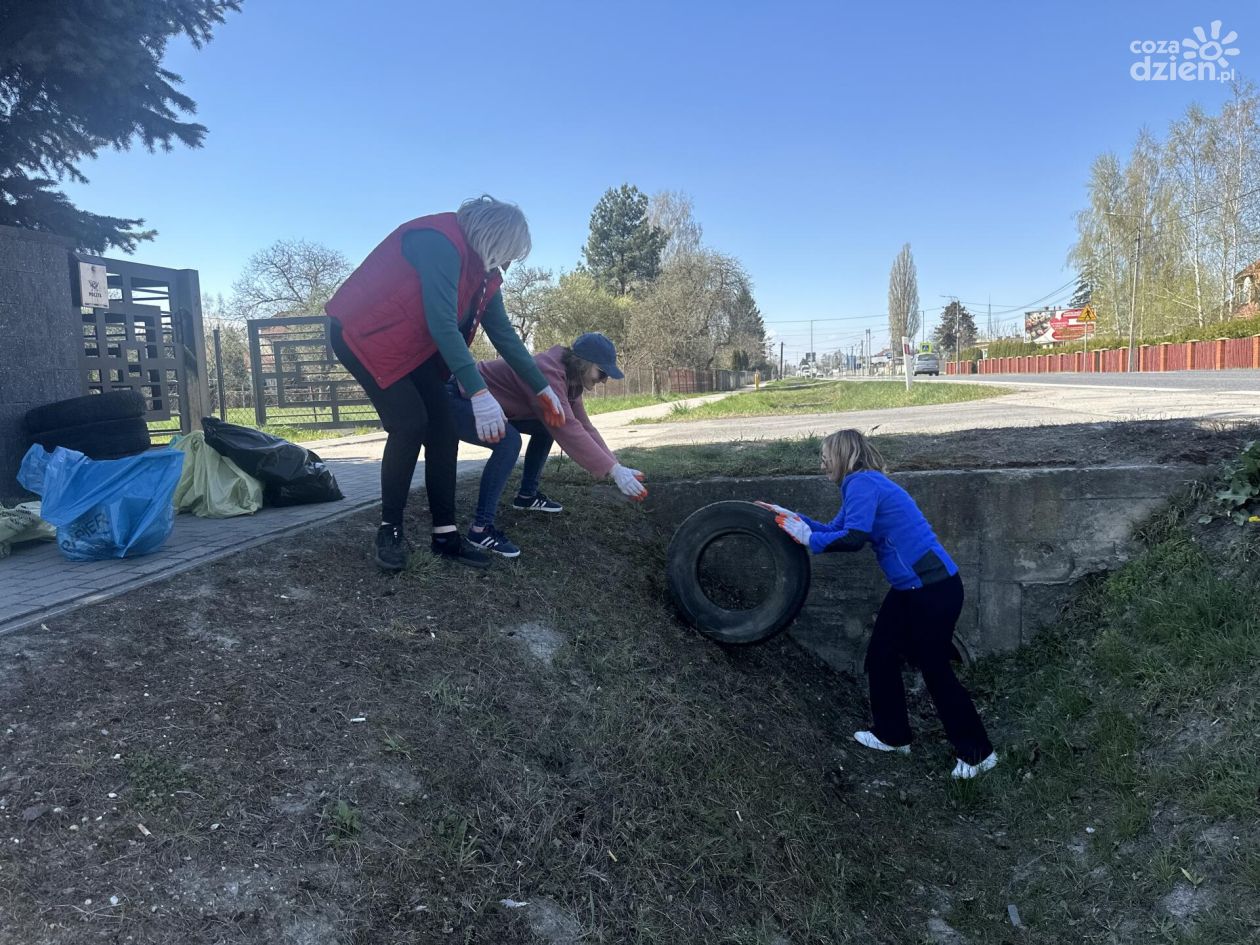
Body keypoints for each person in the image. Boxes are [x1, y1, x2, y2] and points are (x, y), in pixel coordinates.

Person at [325, 196, 565, 571]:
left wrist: (542, 386)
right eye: (508, 253)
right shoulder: (440, 242)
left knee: (444, 427)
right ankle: (390, 530)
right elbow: (441, 323)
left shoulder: (484, 274)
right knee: (409, 424)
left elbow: (503, 333)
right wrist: (480, 391)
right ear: (493, 238)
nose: (508, 264)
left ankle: (446, 535)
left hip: (409, 341)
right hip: (363, 334)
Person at [758, 429, 998, 779]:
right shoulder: (859, 486)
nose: (822, 462)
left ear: (844, 456)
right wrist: (791, 518)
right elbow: (833, 530)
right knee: (881, 655)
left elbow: (852, 539)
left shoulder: (862, 484)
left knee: (934, 668)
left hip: (933, 588)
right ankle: (893, 735)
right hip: (911, 588)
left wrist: (809, 537)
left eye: (826, 455)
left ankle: (979, 754)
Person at [446, 332, 648, 557]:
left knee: (546, 426)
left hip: (489, 403)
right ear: (585, 364)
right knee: (509, 442)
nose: (604, 380)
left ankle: (526, 496)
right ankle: (480, 530)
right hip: (458, 397)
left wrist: (616, 466)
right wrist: (613, 472)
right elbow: (567, 428)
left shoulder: (570, 379)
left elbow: (585, 427)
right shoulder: (548, 372)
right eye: (602, 372)